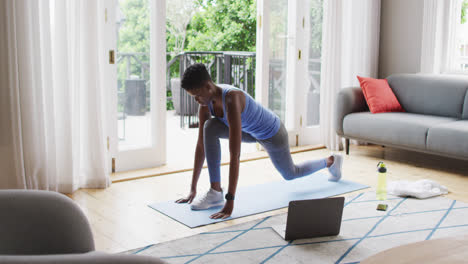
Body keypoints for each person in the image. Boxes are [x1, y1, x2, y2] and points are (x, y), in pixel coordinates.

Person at [175, 63, 343, 219]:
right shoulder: (205, 104)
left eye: (197, 95)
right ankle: (215, 191)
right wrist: (192, 188)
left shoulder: (231, 99)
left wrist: (230, 200)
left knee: (291, 174)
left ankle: (330, 161)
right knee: (209, 128)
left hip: (272, 134)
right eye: (193, 97)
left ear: (208, 86)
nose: (196, 100)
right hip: (250, 132)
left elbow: (235, 155)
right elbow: (201, 145)